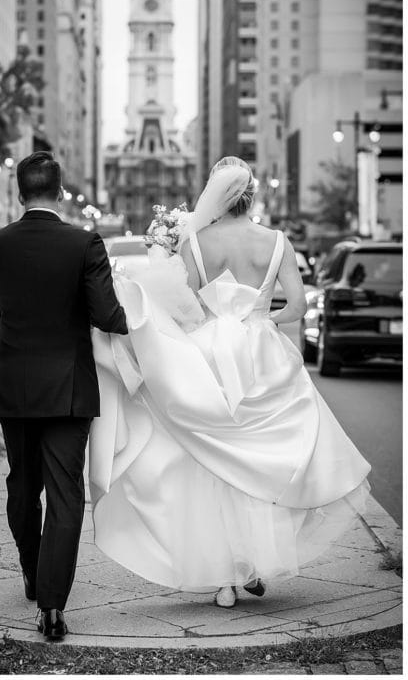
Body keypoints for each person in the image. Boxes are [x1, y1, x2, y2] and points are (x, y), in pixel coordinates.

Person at [90, 156, 371, 609]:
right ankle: (255, 561)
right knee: (266, 461)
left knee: (212, 465)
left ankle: (224, 578)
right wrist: (262, 320)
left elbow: (190, 310)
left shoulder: (196, 243)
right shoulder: (278, 242)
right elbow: (298, 305)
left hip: (211, 354)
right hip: (262, 354)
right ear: (253, 196)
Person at [0, 151, 128, 640]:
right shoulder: (84, 243)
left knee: (22, 485)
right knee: (66, 495)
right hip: (68, 387)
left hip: (14, 383)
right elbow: (107, 315)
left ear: (20, 194)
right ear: (61, 193)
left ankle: (29, 570)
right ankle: (52, 607)